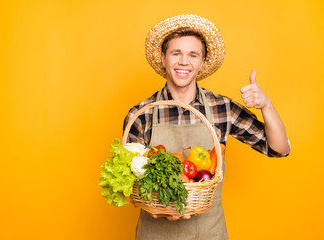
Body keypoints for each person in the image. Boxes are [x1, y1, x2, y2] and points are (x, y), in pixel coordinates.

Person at [123, 14, 290, 240]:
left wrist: (266, 105)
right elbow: (130, 180)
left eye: (193, 55)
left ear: (202, 62)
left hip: (209, 234)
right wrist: (157, 207)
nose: (184, 62)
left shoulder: (223, 108)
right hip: (156, 234)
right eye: (176, 53)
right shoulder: (141, 114)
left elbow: (279, 149)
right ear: (163, 59)